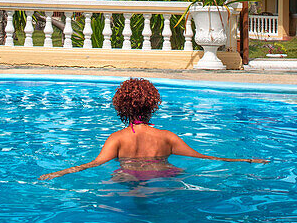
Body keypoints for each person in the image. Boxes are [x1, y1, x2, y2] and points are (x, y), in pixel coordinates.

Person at [38, 78, 267, 181]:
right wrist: (245, 161)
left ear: (122, 107)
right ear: (152, 105)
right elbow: (204, 157)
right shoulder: (167, 137)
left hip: (126, 176)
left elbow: (94, 164)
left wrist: (57, 173)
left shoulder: (117, 139)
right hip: (164, 176)